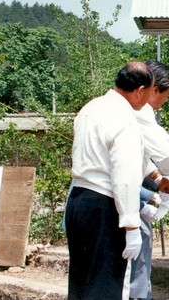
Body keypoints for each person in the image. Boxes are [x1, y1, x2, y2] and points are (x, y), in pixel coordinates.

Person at [65, 61, 154, 300]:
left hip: (78, 201)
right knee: (105, 284)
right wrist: (132, 225)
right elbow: (124, 178)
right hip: (104, 206)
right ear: (138, 91)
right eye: (148, 93)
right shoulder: (124, 119)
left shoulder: (91, 107)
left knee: (80, 281)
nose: (147, 102)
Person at [130, 60, 169, 300]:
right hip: (113, 195)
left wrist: (156, 179)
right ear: (154, 89)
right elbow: (161, 152)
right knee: (139, 237)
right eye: (167, 94)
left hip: (119, 192)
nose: (165, 100)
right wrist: (166, 180)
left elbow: (141, 155)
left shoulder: (121, 107)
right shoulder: (140, 110)